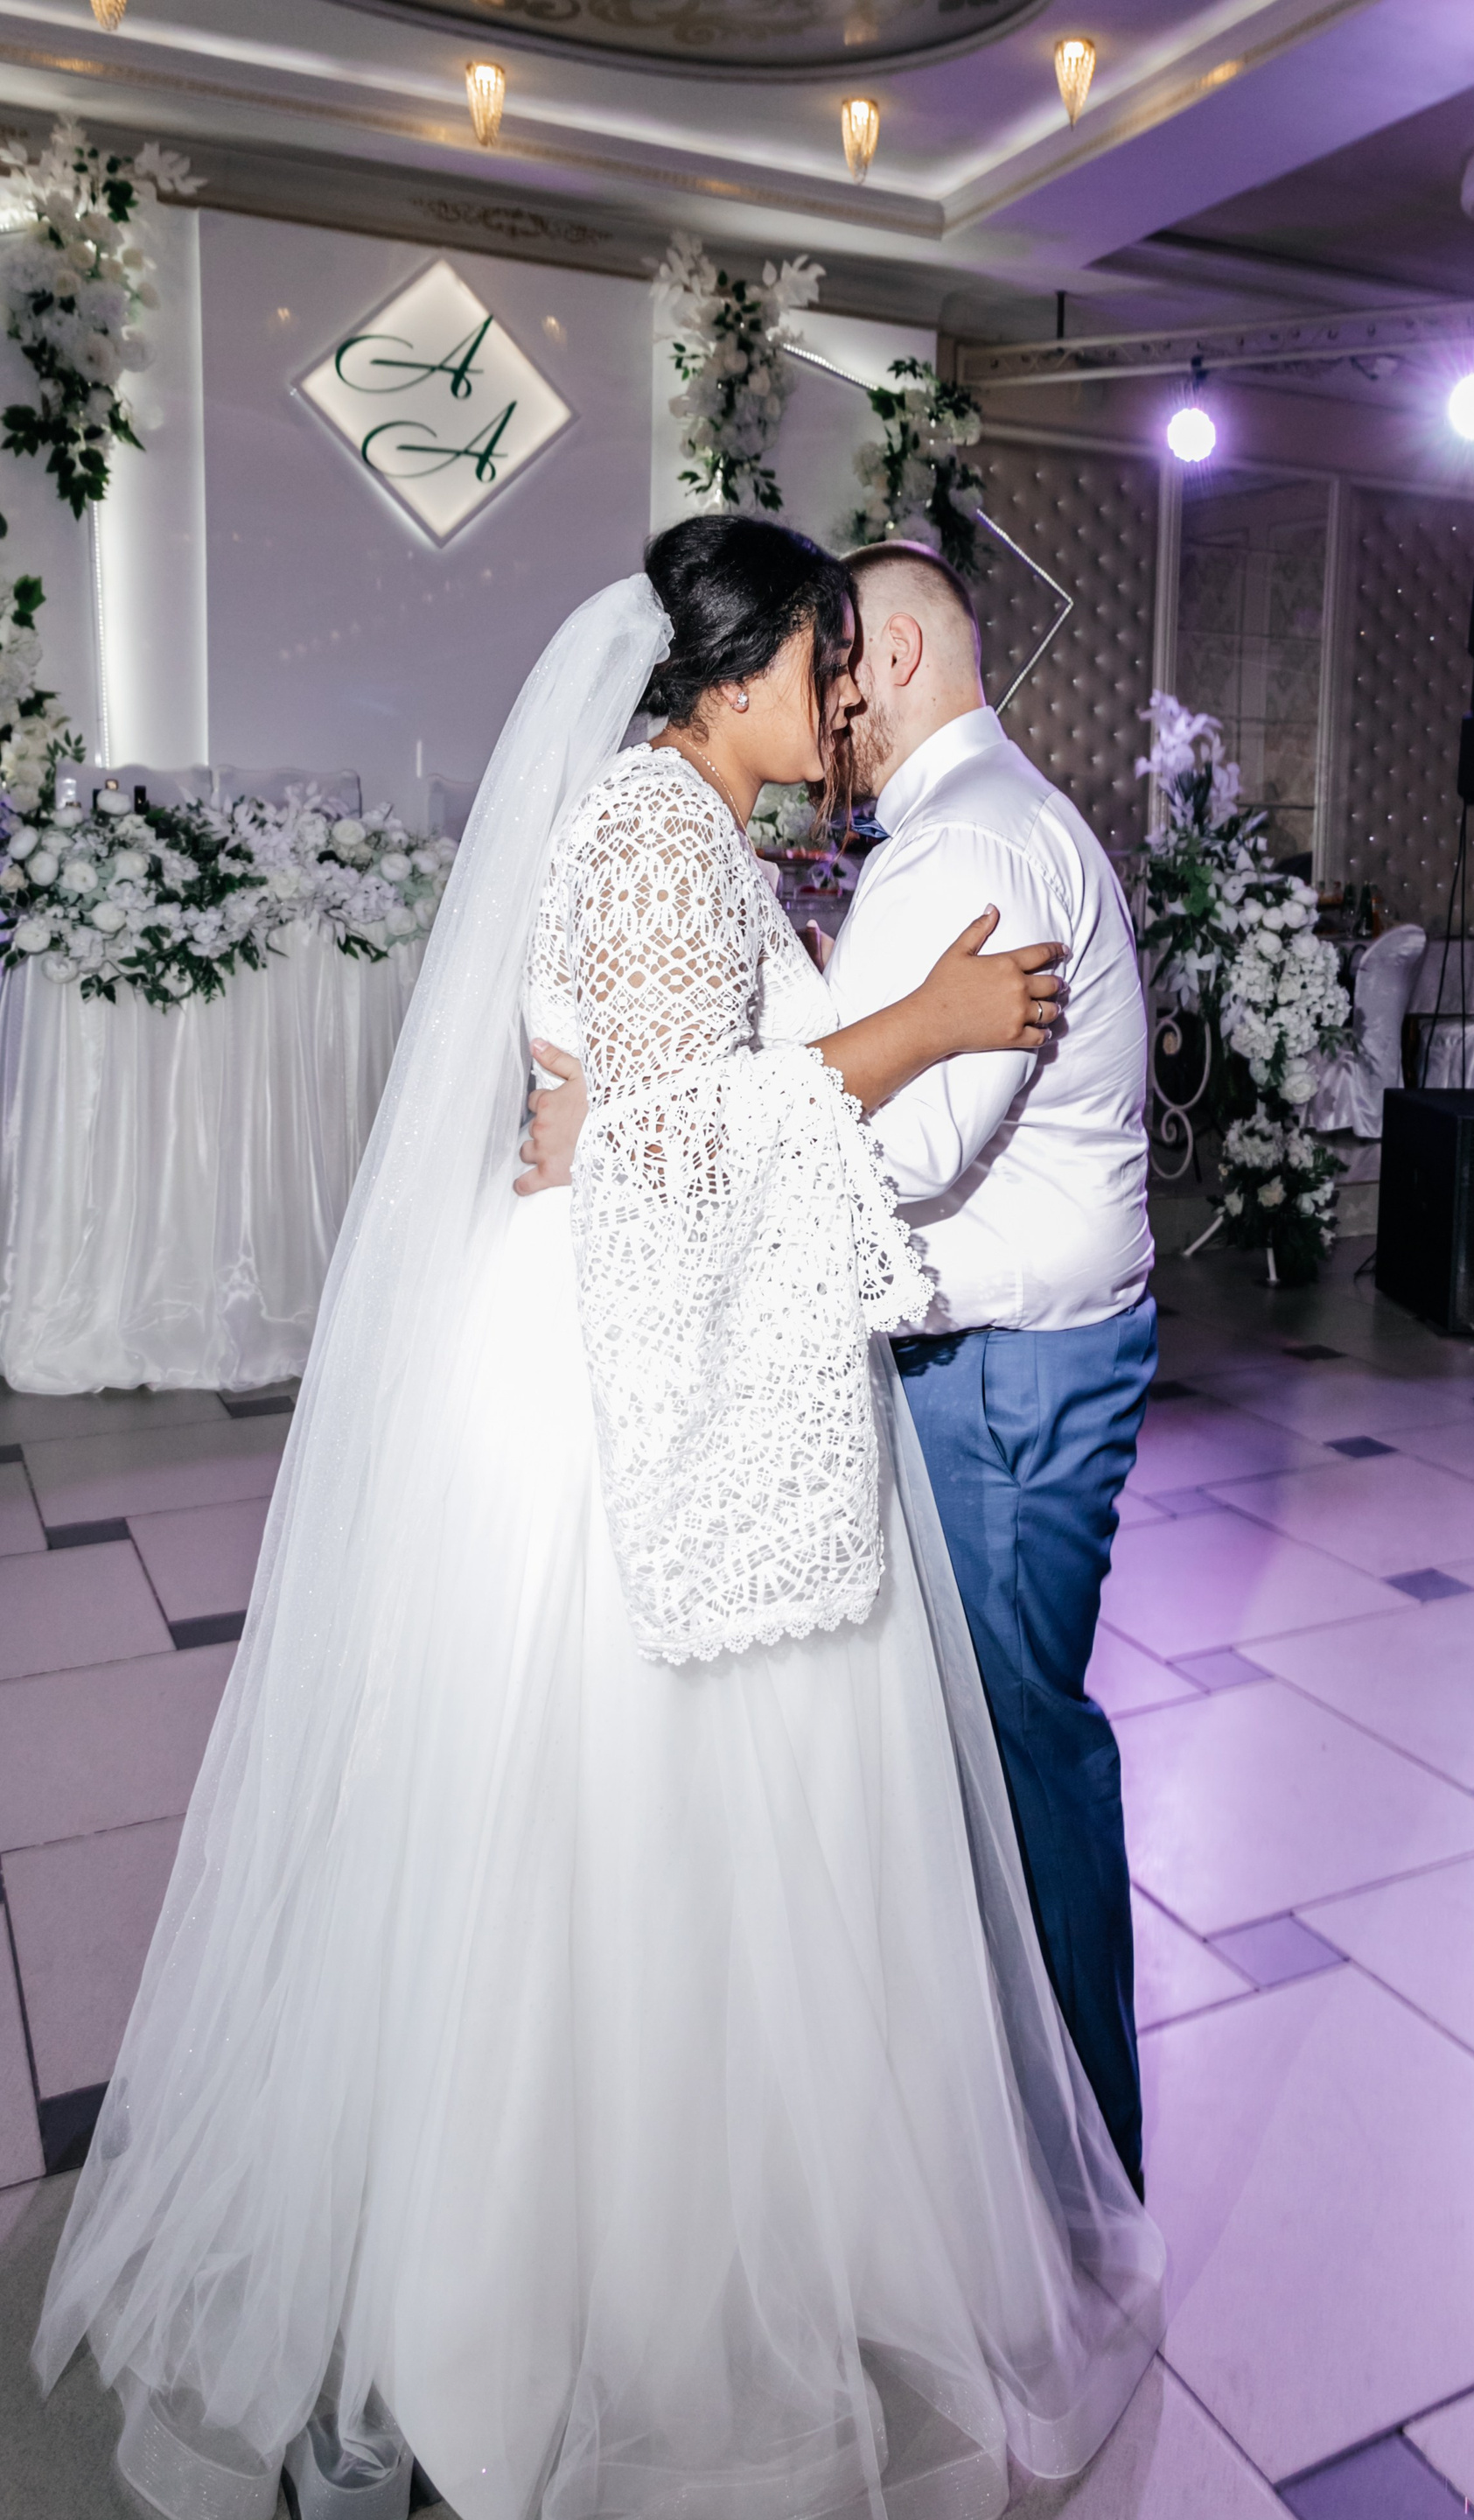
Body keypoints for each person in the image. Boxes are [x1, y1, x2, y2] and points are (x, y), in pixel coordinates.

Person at [35, 517, 1163, 2520]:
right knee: (603, 1828)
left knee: (704, 1850)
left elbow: (641, 1114)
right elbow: (658, 1155)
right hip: (606, 1393)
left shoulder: (705, 832)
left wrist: (650, 1102)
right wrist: (914, 1030)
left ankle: (722, 2241)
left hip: (685, 1346)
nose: (842, 698)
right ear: (727, 677)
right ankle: (564, 2291)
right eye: (819, 662)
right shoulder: (652, 833)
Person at [835, 544, 1156, 2202]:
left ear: (897, 654)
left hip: (1004, 1377)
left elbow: (909, 1146)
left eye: (837, 665)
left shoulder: (965, 840)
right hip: (1021, 1360)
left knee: (1021, 1757)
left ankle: (1079, 2168)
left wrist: (714, 1109)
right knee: (987, 1757)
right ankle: (1020, 2138)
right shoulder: (995, 814)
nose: (828, 706)